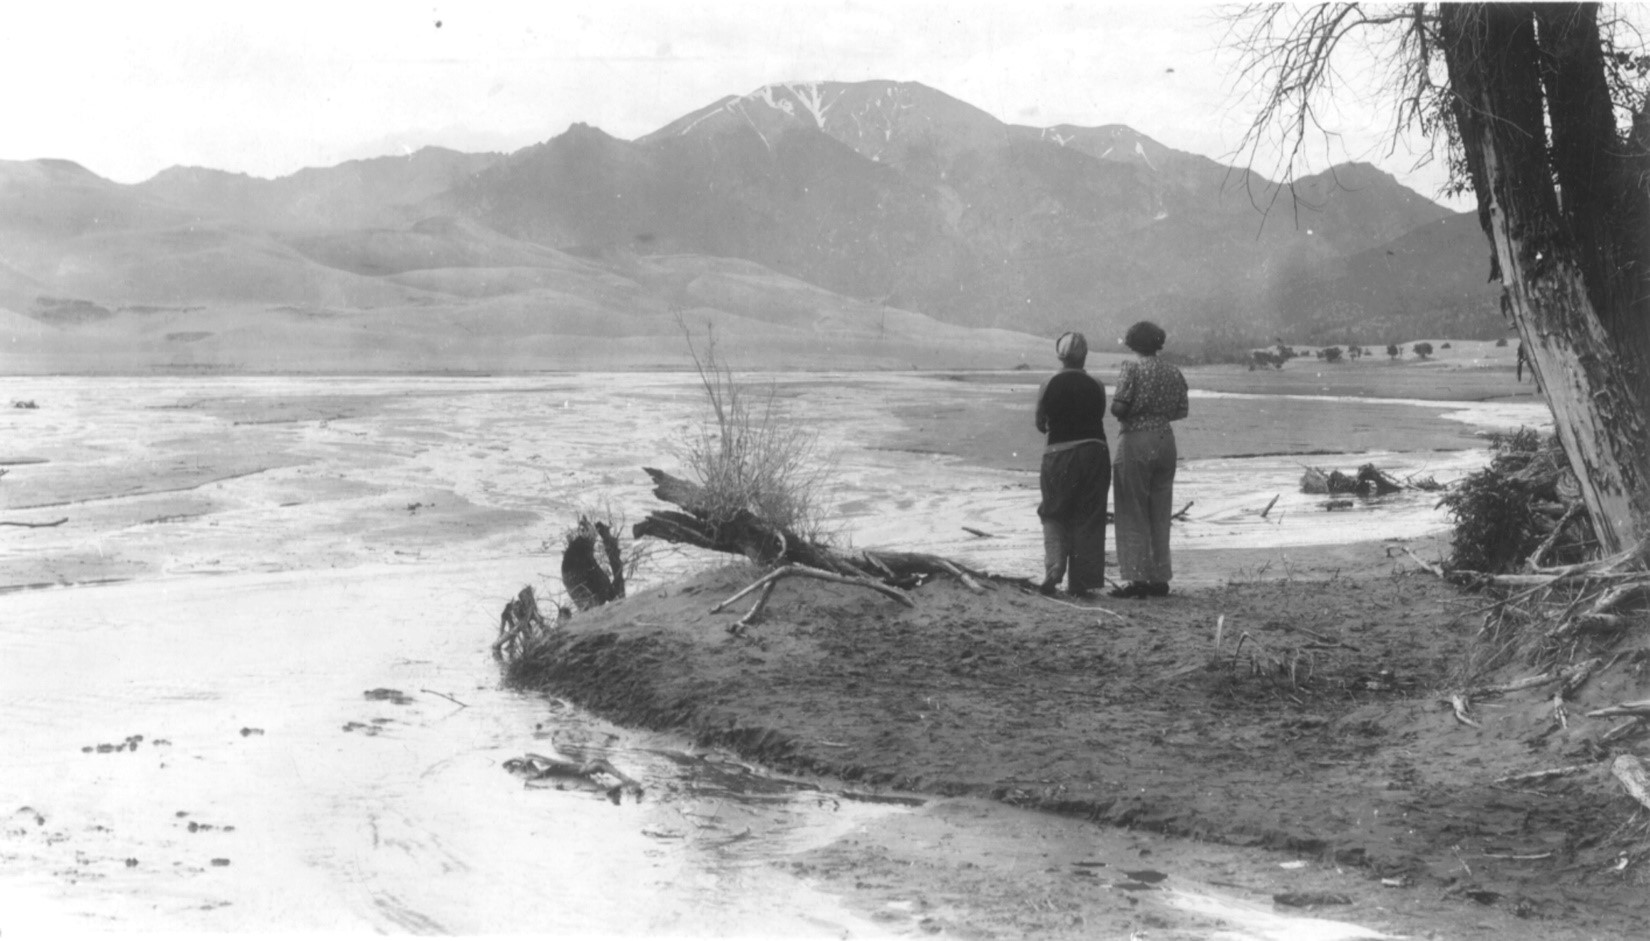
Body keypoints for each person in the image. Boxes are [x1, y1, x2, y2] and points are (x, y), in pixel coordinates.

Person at [1109, 321, 1188, 599]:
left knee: (1132, 509)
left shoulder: (1131, 369)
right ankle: (1159, 577)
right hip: (1165, 440)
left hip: (1135, 439)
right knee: (1160, 510)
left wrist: (1131, 410)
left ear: (1133, 343)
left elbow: (1118, 407)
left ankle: (1137, 577)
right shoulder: (1172, 371)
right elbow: (1181, 410)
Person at [1033, 332, 1110, 597]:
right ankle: (1082, 582)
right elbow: (1098, 414)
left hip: (1058, 454)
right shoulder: (1097, 384)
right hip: (1095, 451)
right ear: (1084, 356)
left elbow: (1040, 423)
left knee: (1053, 511)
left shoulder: (1048, 383)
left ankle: (1054, 570)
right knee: (1089, 515)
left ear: (1059, 355)